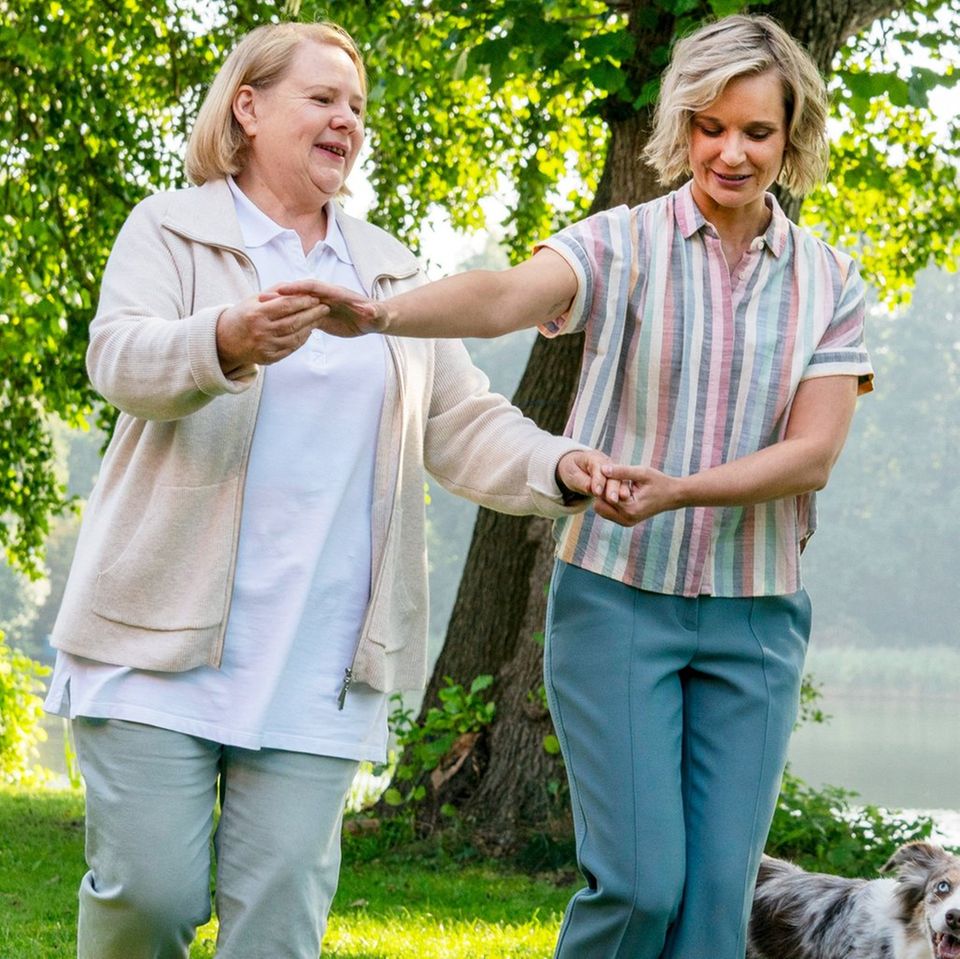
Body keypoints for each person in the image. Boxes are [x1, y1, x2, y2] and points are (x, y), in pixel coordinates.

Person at [280, 14, 875, 959]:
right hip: (616, 602)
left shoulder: (829, 280)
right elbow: (506, 294)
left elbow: (813, 455)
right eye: (711, 127)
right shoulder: (623, 242)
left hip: (755, 616)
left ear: (791, 137)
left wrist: (679, 490)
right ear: (683, 130)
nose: (731, 151)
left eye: (757, 131)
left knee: (718, 905)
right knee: (641, 887)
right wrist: (382, 313)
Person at [43, 21, 613, 959]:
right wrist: (223, 339)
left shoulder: (386, 269)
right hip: (155, 635)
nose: (346, 119)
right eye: (323, 98)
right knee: (149, 894)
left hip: (319, 654)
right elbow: (119, 358)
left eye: (357, 106)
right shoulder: (173, 228)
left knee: (278, 926)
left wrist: (559, 465)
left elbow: (461, 421)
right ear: (250, 107)